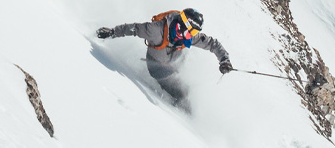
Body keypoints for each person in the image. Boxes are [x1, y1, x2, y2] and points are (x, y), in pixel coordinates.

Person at [96, 8, 233, 106]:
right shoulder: (156, 30)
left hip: (173, 63)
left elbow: (212, 43)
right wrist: (112, 32)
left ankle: (180, 100)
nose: (192, 35)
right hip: (156, 65)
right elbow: (134, 29)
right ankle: (178, 111)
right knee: (183, 93)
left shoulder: (189, 36)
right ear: (183, 25)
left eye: (195, 32)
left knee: (188, 88)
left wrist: (224, 60)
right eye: (191, 30)